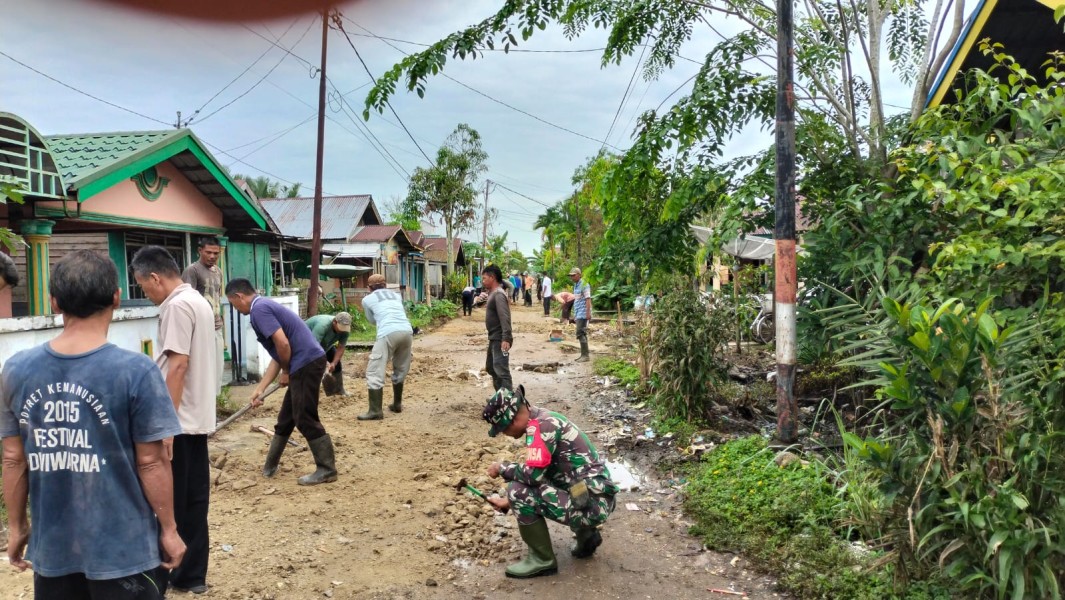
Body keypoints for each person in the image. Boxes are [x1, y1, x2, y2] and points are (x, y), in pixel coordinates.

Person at [1, 250, 185, 599]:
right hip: (125, 553)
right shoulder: (136, 371)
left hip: (53, 550)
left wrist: (16, 528)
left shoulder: (16, 370)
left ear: (55, 302)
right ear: (116, 298)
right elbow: (152, 461)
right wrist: (170, 529)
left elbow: (13, 459)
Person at [131, 246, 218, 595]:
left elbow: (178, 365)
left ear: (155, 277)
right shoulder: (196, 299)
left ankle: (164, 577)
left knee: (170, 503)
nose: (146, 294)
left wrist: (165, 423)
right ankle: (192, 575)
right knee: (194, 499)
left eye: (143, 286)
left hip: (178, 422)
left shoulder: (178, 306)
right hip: (195, 418)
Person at [482, 386, 619, 578]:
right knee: (549, 482)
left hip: (593, 504)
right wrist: (507, 503)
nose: (504, 434)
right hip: (596, 497)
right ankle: (587, 537)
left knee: (517, 491)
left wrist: (501, 468)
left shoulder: (541, 428)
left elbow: (532, 476)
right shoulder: (544, 419)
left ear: (512, 419)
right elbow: (545, 473)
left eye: (503, 429)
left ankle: (542, 560)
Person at [225, 278, 337, 486]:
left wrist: (286, 370)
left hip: (306, 363)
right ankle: (270, 466)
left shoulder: (259, 310)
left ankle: (327, 469)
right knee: (287, 418)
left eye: (233, 303)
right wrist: (260, 389)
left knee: (304, 416)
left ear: (239, 297)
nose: (235, 308)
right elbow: (278, 354)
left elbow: (283, 343)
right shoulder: (264, 307)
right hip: (303, 362)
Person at [355, 274, 414, 420]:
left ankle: (375, 411)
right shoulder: (396, 295)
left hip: (387, 332)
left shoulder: (367, 299)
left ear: (369, 288)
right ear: (385, 285)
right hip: (407, 331)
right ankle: (397, 404)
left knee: (375, 369)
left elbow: (371, 320)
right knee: (400, 367)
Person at [181, 236, 225, 394]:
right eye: (209, 252)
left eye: (216, 253)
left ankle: (214, 410)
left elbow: (217, 298)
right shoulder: (192, 271)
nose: (212, 256)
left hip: (216, 327)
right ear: (200, 251)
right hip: (200, 330)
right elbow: (186, 300)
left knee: (217, 372)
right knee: (201, 374)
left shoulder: (218, 271)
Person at [305, 312, 352, 397]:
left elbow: (341, 347)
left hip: (325, 345)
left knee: (337, 365)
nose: (343, 330)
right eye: (341, 327)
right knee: (313, 368)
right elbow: (313, 346)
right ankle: (307, 394)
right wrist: (324, 362)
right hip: (307, 345)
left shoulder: (345, 331)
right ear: (334, 322)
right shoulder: (322, 325)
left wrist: (333, 363)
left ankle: (338, 390)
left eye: (345, 328)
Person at [481, 265, 513, 391]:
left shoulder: (499, 294)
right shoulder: (493, 293)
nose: (482, 281)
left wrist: (506, 338)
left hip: (500, 338)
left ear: (492, 277)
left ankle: (508, 402)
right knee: (491, 367)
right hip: (494, 337)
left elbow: (505, 317)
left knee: (501, 371)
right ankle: (500, 398)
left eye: (484, 278)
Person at [569, 267, 592, 362]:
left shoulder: (584, 284)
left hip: (583, 313)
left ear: (579, 275)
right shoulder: (576, 285)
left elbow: (588, 299)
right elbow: (577, 301)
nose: (572, 277)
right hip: (579, 312)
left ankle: (585, 355)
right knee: (582, 333)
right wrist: (575, 314)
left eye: (573, 275)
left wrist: (588, 312)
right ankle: (584, 355)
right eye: (571, 276)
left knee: (579, 333)